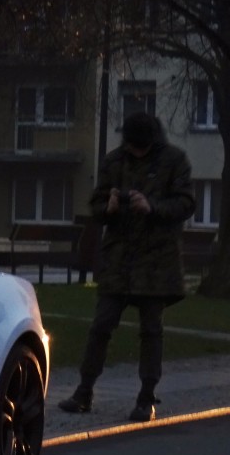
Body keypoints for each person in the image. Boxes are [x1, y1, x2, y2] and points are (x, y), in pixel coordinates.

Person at [58, 112, 195, 422]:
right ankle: (84, 391)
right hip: (119, 259)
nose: (136, 152)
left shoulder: (174, 160)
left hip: (157, 262)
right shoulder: (114, 161)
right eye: (132, 147)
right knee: (101, 326)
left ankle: (146, 397)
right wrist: (107, 208)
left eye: (141, 148)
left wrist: (152, 207)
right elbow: (95, 203)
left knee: (151, 330)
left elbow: (186, 203)